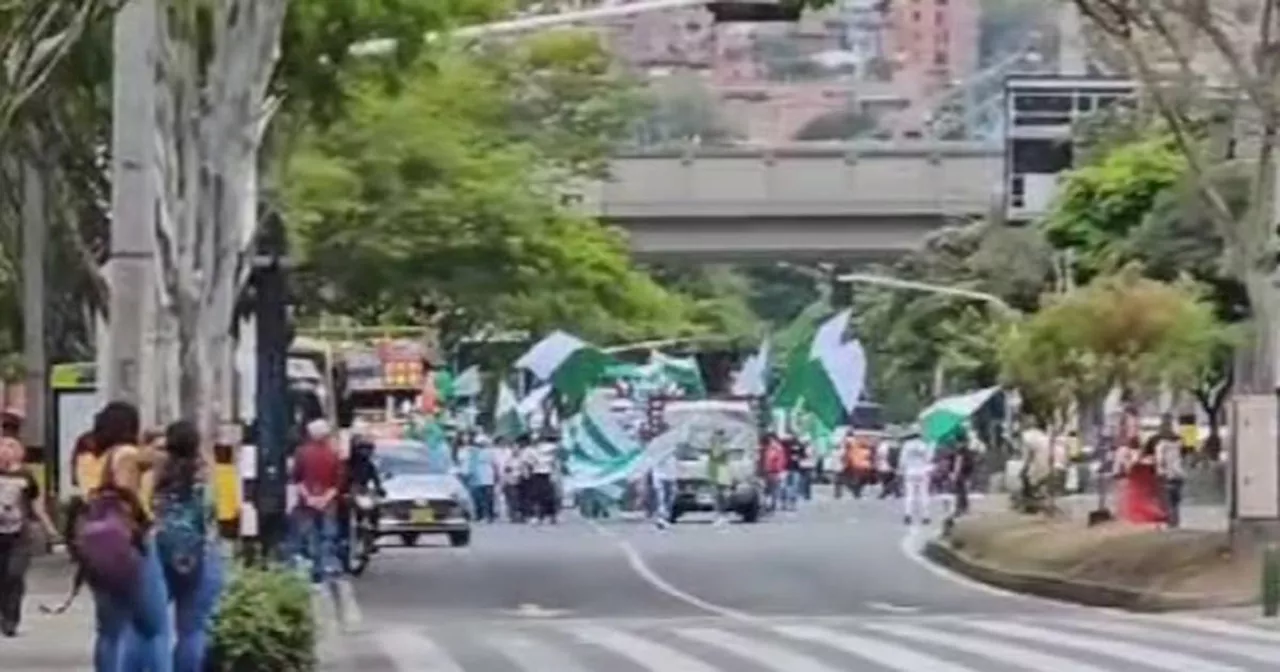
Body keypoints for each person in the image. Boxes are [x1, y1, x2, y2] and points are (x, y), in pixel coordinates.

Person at [82, 401, 172, 672]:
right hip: (131, 542)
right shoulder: (127, 454)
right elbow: (162, 459)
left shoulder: (93, 459)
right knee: (153, 624)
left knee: (109, 629)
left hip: (97, 544)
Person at [152, 420, 222, 672]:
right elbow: (212, 515)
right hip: (199, 552)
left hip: (158, 550)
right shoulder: (202, 476)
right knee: (193, 630)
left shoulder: (156, 473)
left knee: (154, 629)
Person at [0, 433, 58, 636]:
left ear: (20, 452)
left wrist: (49, 528)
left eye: (11, 446)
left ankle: (10, 619)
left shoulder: (26, 476)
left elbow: (36, 504)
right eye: (3, 445)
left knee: (14, 574)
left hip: (19, 533)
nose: (6, 449)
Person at [291, 419, 343, 584]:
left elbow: (296, 478)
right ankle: (326, 568)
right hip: (328, 501)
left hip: (306, 502)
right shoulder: (333, 454)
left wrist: (309, 498)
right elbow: (338, 482)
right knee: (328, 535)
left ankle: (314, 569)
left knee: (309, 535)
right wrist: (325, 498)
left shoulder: (301, 453)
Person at [1153, 417, 1186, 528]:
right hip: (1179, 474)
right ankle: (1176, 522)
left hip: (1167, 474)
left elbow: (1160, 460)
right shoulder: (1179, 442)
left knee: (1167, 500)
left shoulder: (1161, 444)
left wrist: (1160, 471)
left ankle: (1170, 523)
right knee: (1175, 501)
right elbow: (1183, 457)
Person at [899, 426, 934, 525]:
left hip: (910, 471)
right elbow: (929, 459)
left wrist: (901, 470)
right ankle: (926, 516)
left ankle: (908, 515)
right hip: (923, 471)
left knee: (909, 495)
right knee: (924, 494)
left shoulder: (907, 445)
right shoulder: (925, 445)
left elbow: (902, 460)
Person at [467, 435, 498, 523]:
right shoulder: (473, 452)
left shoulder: (490, 452)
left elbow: (495, 464)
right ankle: (480, 515)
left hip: (488, 478)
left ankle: (489, 516)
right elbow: (471, 465)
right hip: (478, 478)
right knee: (479, 498)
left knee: (488, 498)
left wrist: (496, 475)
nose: (481, 445)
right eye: (479, 444)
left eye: (483, 443)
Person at [650, 448, 678, 528]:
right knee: (661, 498)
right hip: (660, 477)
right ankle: (661, 519)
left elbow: (673, 464)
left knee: (670, 498)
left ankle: (664, 518)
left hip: (671, 477)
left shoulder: (672, 453)